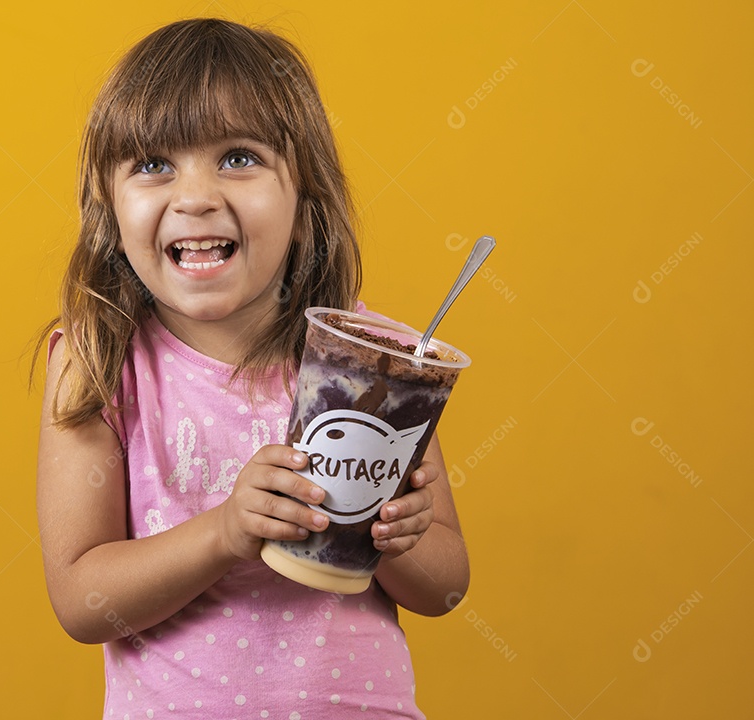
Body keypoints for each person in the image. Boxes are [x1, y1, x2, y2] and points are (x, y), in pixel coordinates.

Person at [33, 17, 469, 719]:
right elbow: (82, 602)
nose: (196, 195)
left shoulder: (375, 362)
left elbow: (446, 588)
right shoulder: (98, 359)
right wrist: (225, 533)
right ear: (110, 208)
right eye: (151, 164)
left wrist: (392, 536)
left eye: (238, 156)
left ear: (305, 202)